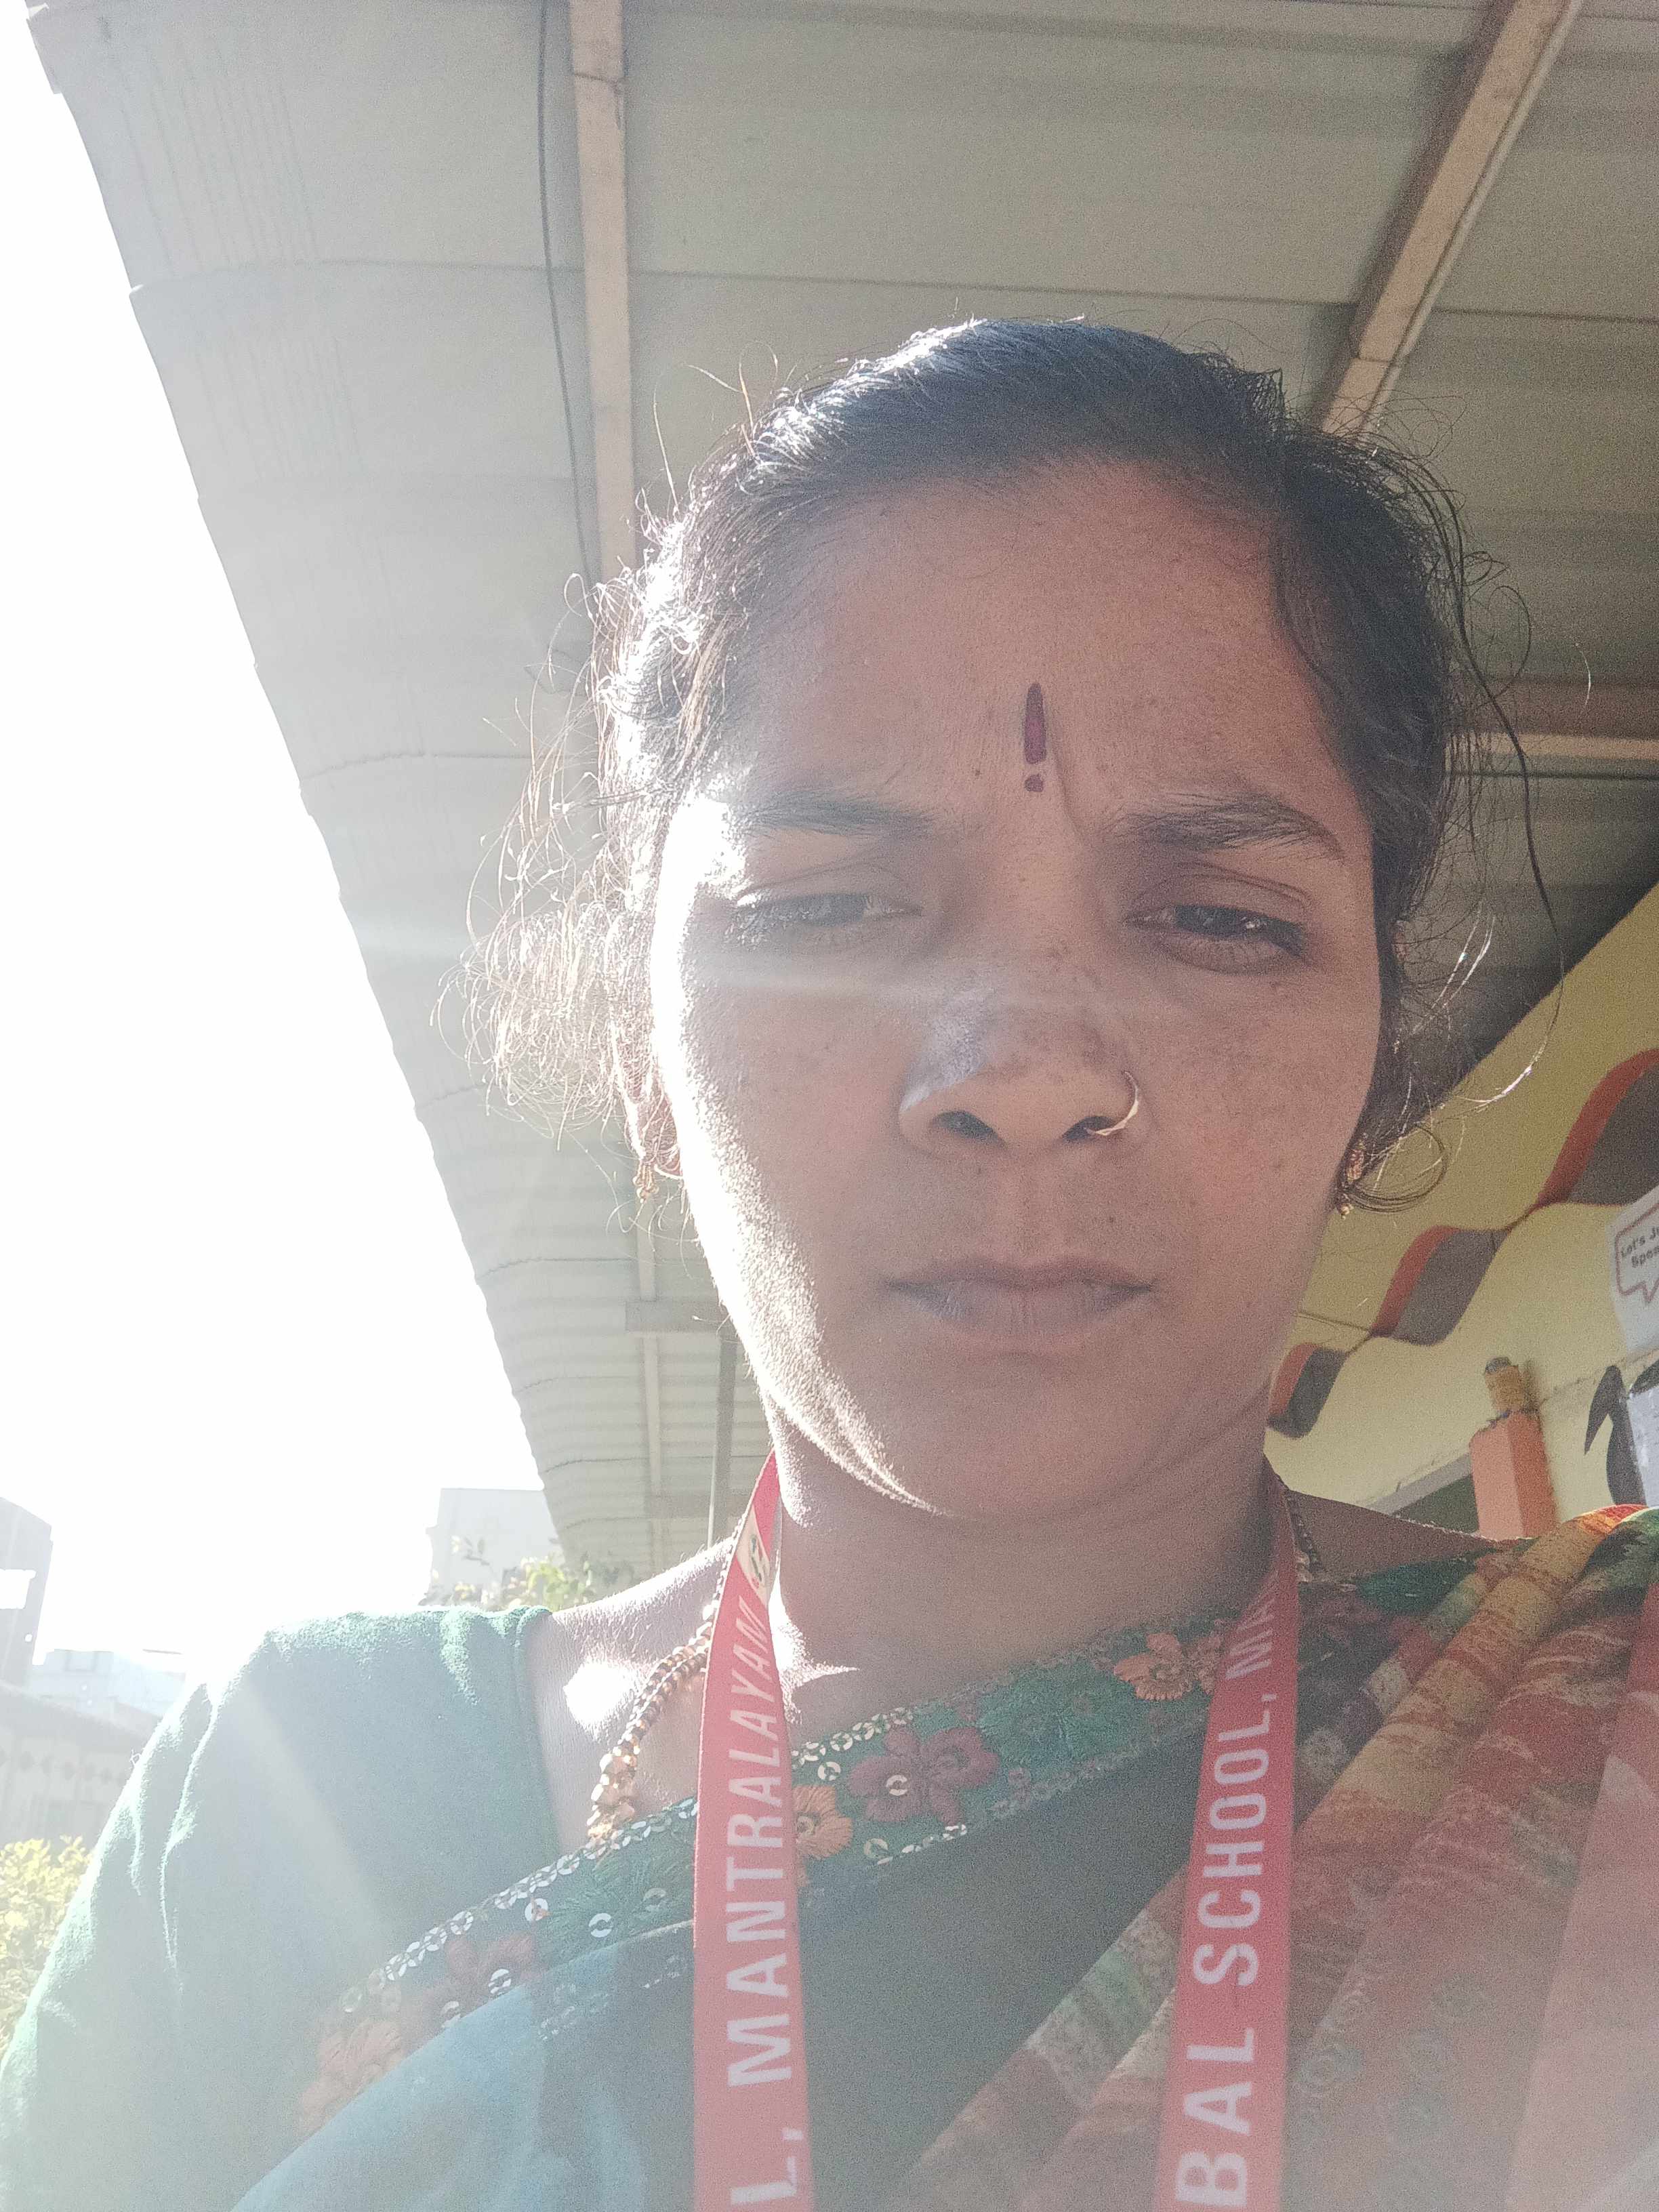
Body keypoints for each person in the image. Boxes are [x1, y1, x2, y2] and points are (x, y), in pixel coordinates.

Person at [3, 321, 1656, 2212]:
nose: (1022, 1073)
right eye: (826, 906)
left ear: (1378, 1063)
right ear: (645, 1049)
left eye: (1216, 918)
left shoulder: (1611, 1750)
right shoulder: (295, 1803)